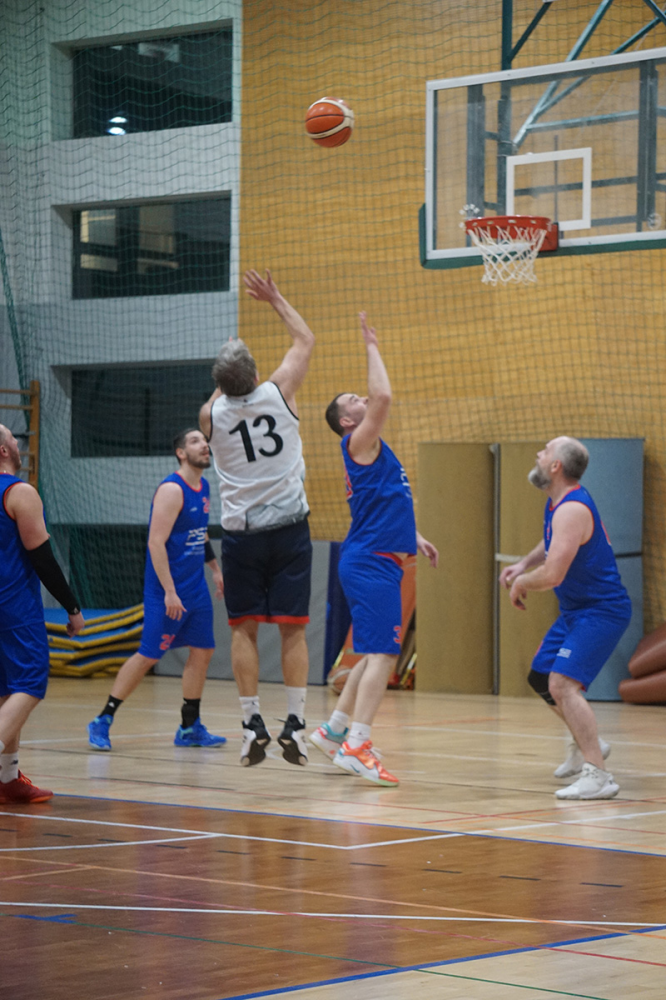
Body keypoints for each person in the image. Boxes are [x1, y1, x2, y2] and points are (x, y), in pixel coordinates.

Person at [309, 313, 438, 787]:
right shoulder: (357, 441)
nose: (363, 399)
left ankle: (333, 732)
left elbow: (388, 502)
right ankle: (358, 746)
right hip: (370, 563)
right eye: (353, 400)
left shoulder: (374, 450)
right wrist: (371, 345)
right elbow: (383, 395)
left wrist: (413, 536)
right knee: (384, 654)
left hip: (376, 556)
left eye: (358, 395)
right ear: (347, 421)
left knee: (371, 652)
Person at [200, 269, 315, 768]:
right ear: (255, 373)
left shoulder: (211, 415)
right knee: (293, 629)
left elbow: (219, 393)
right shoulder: (279, 391)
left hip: (242, 534)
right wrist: (274, 298)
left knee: (242, 629)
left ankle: (251, 725)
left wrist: (225, 367)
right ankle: (297, 725)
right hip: (289, 527)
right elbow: (305, 339)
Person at [499, 436, 632, 800]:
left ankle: (598, 775)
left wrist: (522, 582)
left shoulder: (571, 508)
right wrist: (524, 564)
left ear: (555, 466)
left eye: (544, 451)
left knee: (562, 685)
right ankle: (586, 742)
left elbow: (554, 575)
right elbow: (554, 542)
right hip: (576, 611)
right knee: (541, 677)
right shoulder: (558, 503)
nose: (538, 454)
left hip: (601, 611)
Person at [87, 429, 226, 751]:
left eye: (204, 441)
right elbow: (155, 542)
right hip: (167, 591)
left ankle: (189, 727)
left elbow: (200, 533)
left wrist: (215, 569)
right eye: (195, 441)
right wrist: (169, 591)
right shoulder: (171, 490)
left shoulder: (204, 486)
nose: (204, 445)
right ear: (181, 453)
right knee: (149, 655)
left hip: (195, 588)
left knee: (203, 651)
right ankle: (102, 719)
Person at [0, 423, 85, 803]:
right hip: (13, 607)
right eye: (13, 439)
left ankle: (8, 778)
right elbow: (43, 558)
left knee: (6, 690)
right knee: (31, 683)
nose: (18, 444)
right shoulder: (19, 492)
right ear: (4, 450)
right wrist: (72, 607)